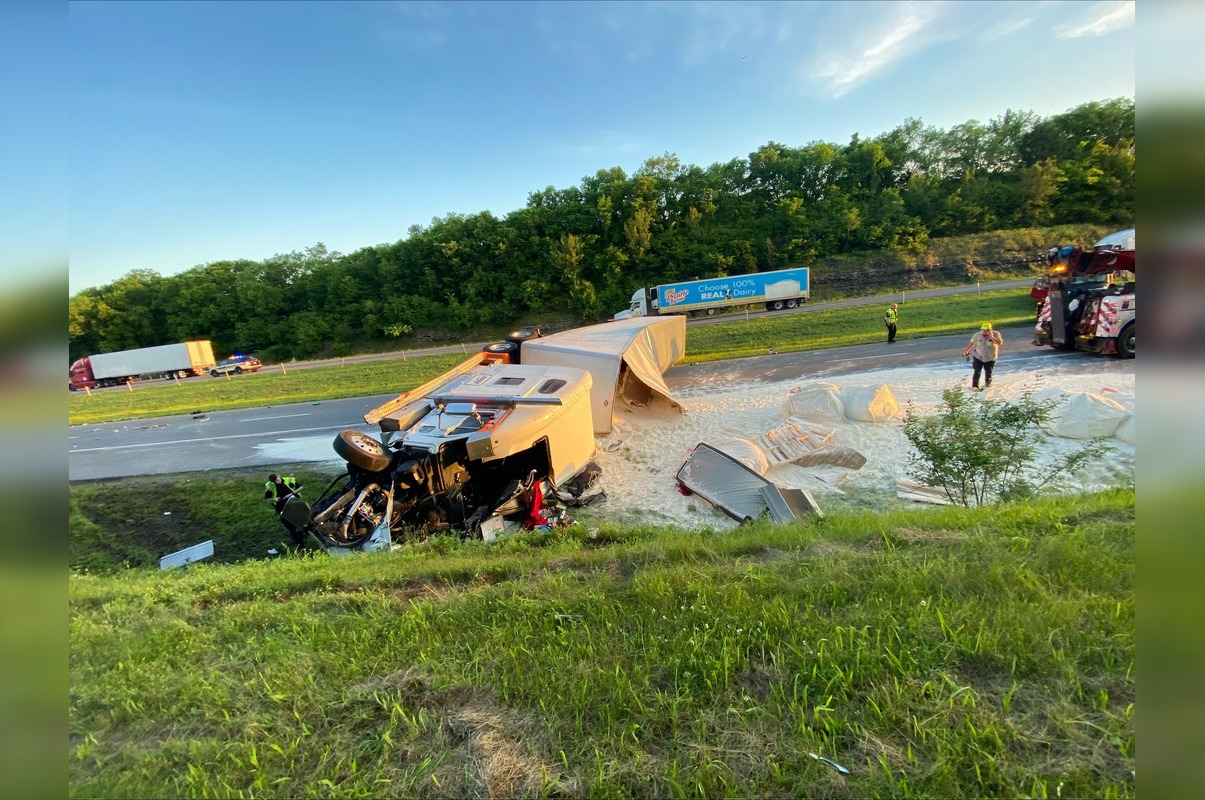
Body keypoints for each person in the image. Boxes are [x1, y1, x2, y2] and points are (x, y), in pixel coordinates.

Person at [264, 473, 304, 548]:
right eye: (274, 482)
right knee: (289, 524)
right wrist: (275, 499)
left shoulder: (288, 480)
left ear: (279, 477)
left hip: (294, 503)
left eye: (277, 480)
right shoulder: (270, 486)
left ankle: (299, 532)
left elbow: (301, 487)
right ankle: (298, 541)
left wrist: (291, 494)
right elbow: (267, 499)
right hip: (282, 507)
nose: (276, 483)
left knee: (298, 519)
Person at [963, 322, 1004, 391]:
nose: (984, 331)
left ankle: (987, 384)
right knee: (977, 371)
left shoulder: (996, 334)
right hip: (978, 356)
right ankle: (975, 386)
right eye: (983, 330)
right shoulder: (977, 335)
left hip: (990, 357)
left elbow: (999, 343)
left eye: (986, 330)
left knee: (988, 372)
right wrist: (966, 350)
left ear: (990, 329)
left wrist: (991, 337)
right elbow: (972, 342)